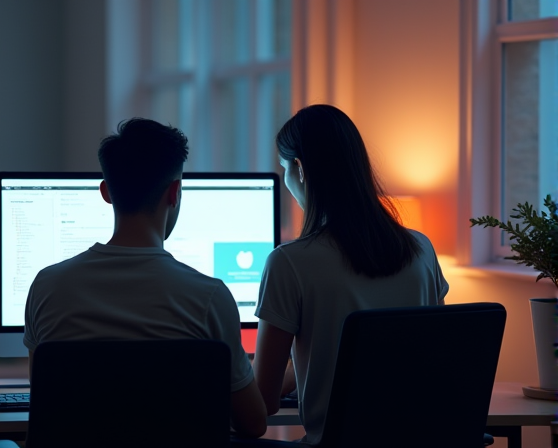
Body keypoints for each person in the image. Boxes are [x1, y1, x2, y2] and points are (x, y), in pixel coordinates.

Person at [23, 117, 267, 438]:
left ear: (106, 192)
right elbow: (253, 424)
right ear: (174, 193)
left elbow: (44, 399)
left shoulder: (47, 287)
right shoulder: (210, 297)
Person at [252, 104, 448, 444]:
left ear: (299, 169)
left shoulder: (289, 262)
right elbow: (437, 361)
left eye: (284, 167)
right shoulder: (421, 250)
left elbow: (262, 403)